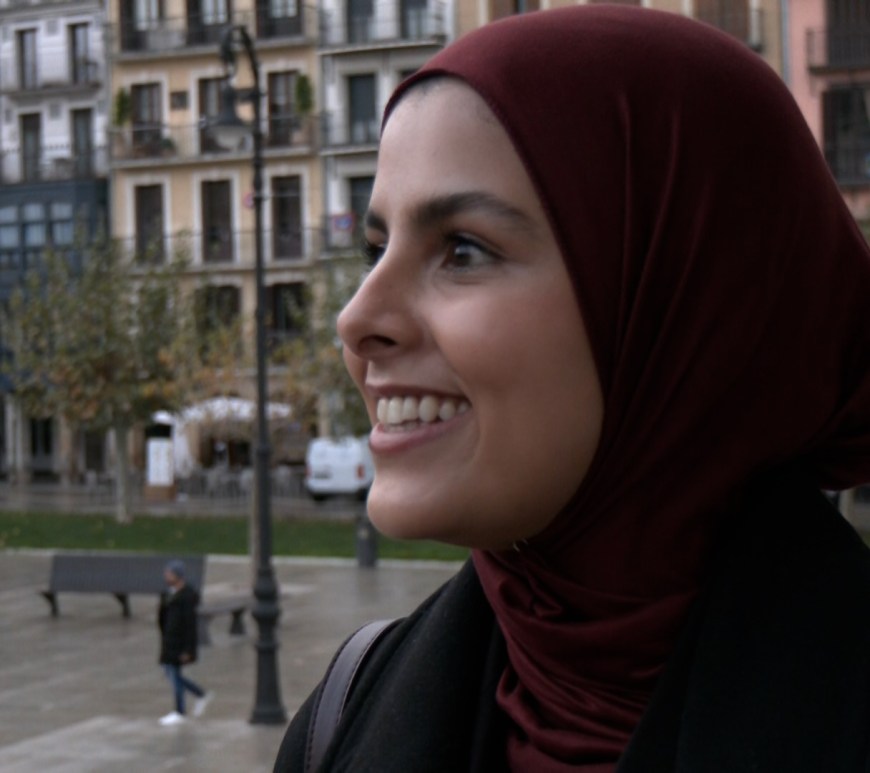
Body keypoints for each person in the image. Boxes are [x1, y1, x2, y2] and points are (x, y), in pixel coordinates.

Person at [274, 6, 870, 771]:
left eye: (462, 249)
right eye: (376, 249)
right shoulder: (341, 716)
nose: (355, 319)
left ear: (684, 306)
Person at [157, 559, 212, 726]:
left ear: (177, 576)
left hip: (179, 643)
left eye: (169, 574)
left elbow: (189, 625)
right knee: (171, 674)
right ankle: (200, 694)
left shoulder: (187, 597)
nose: (166, 576)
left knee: (174, 676)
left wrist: (188, 649)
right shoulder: (168, 595)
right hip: (169, 641)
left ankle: (180, 711)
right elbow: (162, 617)